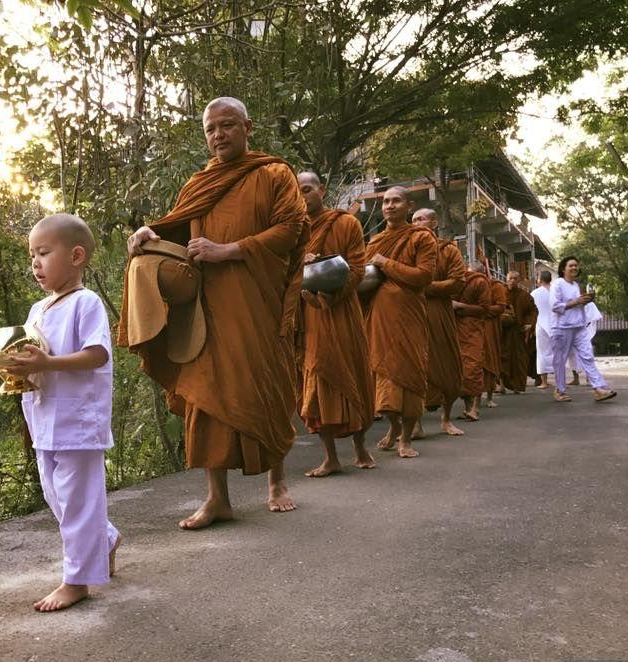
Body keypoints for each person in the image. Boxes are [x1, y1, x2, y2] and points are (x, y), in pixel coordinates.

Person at [119, 97, 308, 529]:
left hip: (257, 299)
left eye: (227, 125)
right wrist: (150, 230)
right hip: (208, 305)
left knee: (269, 383)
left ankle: (277, 483)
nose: (218, 135)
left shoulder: (274, 174)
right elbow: (178, 225)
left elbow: (291, 229)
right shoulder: (199, 183)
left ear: (248, 126)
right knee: (206, 392)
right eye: (210, 129)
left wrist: (228, 250)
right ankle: (216, 498)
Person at [7, 214, 122, 612]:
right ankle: (103, 539)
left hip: (78, 421)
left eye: (43, 253)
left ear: (75, 256)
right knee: (56, 496)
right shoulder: (38, 308)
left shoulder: (85, 303)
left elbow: (97, 354)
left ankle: (77, 580)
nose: (35, 263)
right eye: (31, 256)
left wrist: (47, 364)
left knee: (77, 499)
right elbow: (30, 353)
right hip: (43, 419)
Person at [296, 171, 375, 476]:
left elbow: (357, 268)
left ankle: (360, 446)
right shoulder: (292, 230)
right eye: (297, 193)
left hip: (341, 311)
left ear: (321, 189)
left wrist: (324, 273)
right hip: (308, 314)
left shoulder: (346, 223)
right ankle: (330, 457)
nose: (303, 198)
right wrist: (302, 265)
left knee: (352, 372)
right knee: (316, 380)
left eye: (307, 190)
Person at [363, 186, 437, 458]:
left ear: (409, 205)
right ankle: (393, 427)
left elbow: (423, 276)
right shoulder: (374, 241)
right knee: (384, 375)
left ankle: (406, 438)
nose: (389, 206)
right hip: (380, 318)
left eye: (396, 201)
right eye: (385, 202)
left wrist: (386, 263)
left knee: (410, 375)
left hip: (409, 317)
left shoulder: (421, 238)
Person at [410, 207, 466, 438]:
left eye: (421, 219)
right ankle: (415, 423)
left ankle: (446, 419)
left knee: (447, 363)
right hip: (411, 312)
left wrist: (425, 286)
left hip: (439, 311)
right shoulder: (406, 248)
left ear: (434, 222)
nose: (416, 223)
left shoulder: (448, 250)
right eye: (412, 220)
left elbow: (457, 282)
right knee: (414, 366)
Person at [549, 256, 616, 403]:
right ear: (563, 269)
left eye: (576, 266)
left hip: (578, 326)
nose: (574, 268)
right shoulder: (557, 284)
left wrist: (585, 301)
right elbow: (555, 306)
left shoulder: (575, 285)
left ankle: (598, 389)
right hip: (562, 328)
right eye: (571, 266)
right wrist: (577, 301)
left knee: (588, 356)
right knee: (560, 360)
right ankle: (560, 390)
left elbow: (575, 304)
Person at [453, 261, 491, 421]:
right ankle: (468, 408)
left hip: (473, 329)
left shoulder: (481, 282)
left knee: (473, 367)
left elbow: (485, 309)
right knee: (462, 370)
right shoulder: (457, 281)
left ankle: (475, 408)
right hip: (457, 329)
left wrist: (461, 306)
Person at [501, 270, 538, 393]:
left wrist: (529, 324)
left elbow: (533, 310)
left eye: (515, 279)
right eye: (510, 278)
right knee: (502, 359)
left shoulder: (524, 295)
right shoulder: (500, 293)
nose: (512, 281)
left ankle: (517, 386)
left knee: (519, 360)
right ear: (506, 279)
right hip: (503, 333)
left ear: (518, 280)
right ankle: (501, 386)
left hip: (518, 333)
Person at [483, 274, 507, 407]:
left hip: (489, 328)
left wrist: (479, 311)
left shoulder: (495, 286)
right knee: (472, 364)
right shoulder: (466, 284)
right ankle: (471, 402)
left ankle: (489, 397)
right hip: (470, 327)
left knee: (490, 361)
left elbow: (500, 307)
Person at [530, 270, 553, 388]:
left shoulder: (535, 293)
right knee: (557, 353)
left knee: (542, 353)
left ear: (540, 280)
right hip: (555, 325)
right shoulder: (556, 292)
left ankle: (544, 382)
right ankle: (560, 380)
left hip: (541, 324)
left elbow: (530, 310)